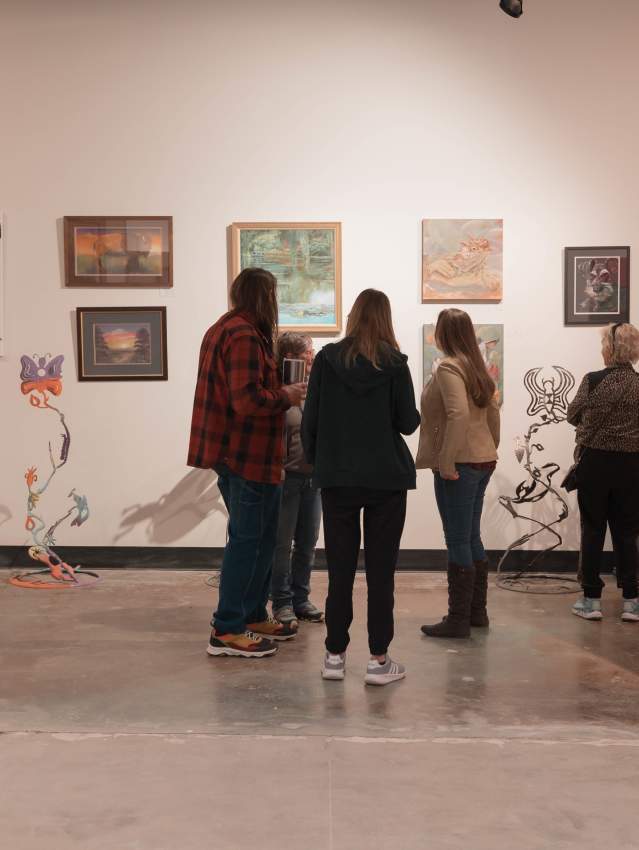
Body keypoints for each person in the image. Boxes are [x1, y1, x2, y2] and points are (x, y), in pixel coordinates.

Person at [302, 289, 420, 686]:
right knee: (381, 572)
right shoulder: (395, 364)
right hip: (385, 478)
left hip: (337, 478)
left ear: (353, 316)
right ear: (386, 318)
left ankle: (334, 656)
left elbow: (310, 421)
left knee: (339, 571)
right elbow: (407, 422)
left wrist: (321, 463)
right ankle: (377, 660)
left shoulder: (325, 360)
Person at [188, 268, 306, 658]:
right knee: (246, 542)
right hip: (245, 455)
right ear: (265, 295)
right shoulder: (241, 335)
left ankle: (252, 614)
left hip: (247, 455)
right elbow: (246, 401)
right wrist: (287, 394)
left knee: (260, 540)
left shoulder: (229, 328)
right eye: (274, 293)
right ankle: (227, 629)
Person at [416, 308, 500, 638]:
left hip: (461, 464)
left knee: (457, 539)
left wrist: (447, 461)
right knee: (471, 536)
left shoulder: (450, 366)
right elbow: (493, 412)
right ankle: (477, 613)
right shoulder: (476, 365)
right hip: (482, 460)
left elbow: (458, 413)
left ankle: (458, 619)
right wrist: (492, 446)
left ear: (443, 333)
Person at [567, 322, 639, 622]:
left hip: (595, 463)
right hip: (631, 464)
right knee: (627, 532)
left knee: (593, 529)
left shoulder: (593, 380)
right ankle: (631, 602)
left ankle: (591, 600)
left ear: (610, 347)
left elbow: (573, 414)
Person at [270, 332, 323, 626]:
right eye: (306, 352)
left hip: (312, 477)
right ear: (289, 356)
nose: (312, 356)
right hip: (285, 477)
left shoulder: (315, 387)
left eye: (312, 350)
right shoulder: (278, 391)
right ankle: (281, 602)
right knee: (282, 543)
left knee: (307, 542)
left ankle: (301, 598)